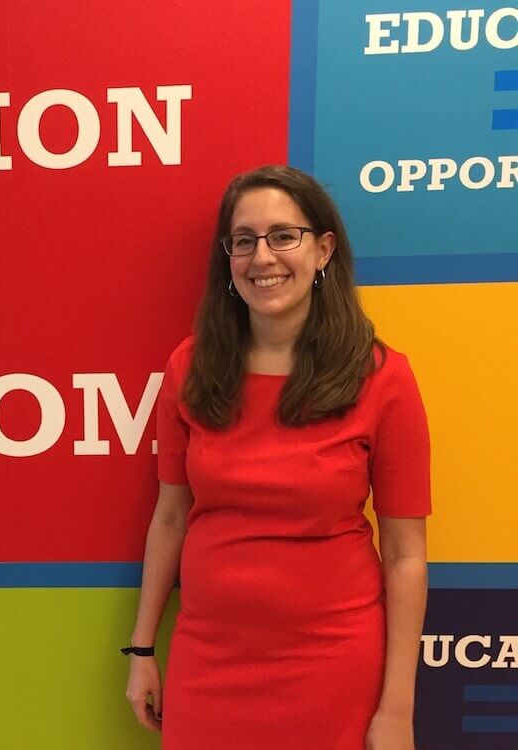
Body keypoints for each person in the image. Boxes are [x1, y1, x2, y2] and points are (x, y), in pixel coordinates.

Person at [124, 165, 431, 749]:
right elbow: (170, 518)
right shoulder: (190, 368)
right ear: (229, 258)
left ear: (323, 250)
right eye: (244, 241)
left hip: (333, 663)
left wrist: (397, 708)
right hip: (207, 661)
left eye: (284, 236)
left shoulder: (382, 377)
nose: (262, 257)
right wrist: (142, 650)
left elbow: (405, 555)